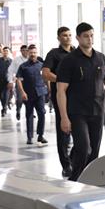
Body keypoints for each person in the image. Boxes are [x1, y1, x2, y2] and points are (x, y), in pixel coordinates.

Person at [56, 23, 105, 181]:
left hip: (98, 111)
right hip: (77, 112)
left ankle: (89, 181)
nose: (90, 39)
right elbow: (61, 91)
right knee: (83, 148)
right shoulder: (69, 60)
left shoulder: (101, 58)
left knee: (94, 152)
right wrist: (64, 117)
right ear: (78, 38)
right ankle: (75, 180)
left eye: (92, 35)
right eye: (86, 36)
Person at [42, 26, 75, 176]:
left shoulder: (77, 52)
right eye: (64, 35)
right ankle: (66, 164)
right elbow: (46, 73)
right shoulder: (54, 54)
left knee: (80, 130)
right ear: (59, 38)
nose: (67, 38)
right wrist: (63, 80)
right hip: (61, 96)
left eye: (69, 35)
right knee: (64, 130)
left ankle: (74, 159)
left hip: (78, 96)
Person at [16, 45, 48, 146]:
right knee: (29, 115)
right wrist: (22, 92)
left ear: (37, 53)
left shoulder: (42, 65)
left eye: (34, 53)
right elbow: (19, 80)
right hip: (28, 94)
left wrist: (49, 90)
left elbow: (46, 78)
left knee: (42, 114)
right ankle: (29, 137)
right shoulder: (23, 66)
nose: (33, 55)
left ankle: (40, 135)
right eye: (31, 53)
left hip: (40, 93)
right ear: (28, 53)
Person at [8, 45, 28, 121]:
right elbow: (10, 70)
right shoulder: (16, 60)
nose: (25, 52)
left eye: (27, 50)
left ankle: (29, 112)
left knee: (29, 99)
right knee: (20, 99)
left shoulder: (30, 59)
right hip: (20, 81)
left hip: (30, 82)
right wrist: (10, 81)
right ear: (21, 51)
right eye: (24, 50)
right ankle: (18, 110)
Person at [0, 46, 12, 117]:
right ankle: (4, 106)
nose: (5, 52)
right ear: (2, 52)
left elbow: (12, 72)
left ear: (9, 52)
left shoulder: (10, 61)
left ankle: (4, 108)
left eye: (7, 51)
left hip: (7, 80)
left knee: (6, 94)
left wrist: (11, 80)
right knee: (1, 95)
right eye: (4, 51)